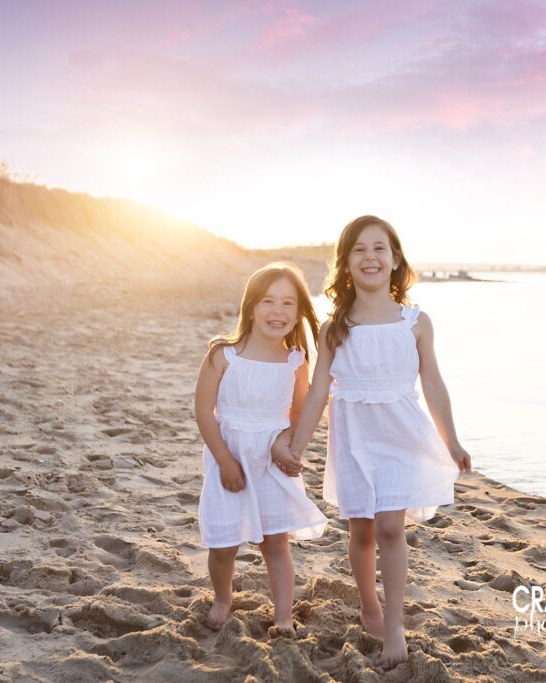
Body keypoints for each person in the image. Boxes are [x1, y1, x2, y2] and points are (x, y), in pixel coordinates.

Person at [278, 215, 472, 669]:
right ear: (345, 263)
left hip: (402, 434)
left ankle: (396, 623)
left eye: (379, 248)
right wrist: (299, 445)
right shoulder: (335, 327)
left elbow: (434, 384)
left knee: (390, 527)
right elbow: (319, 392)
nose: (370, 257)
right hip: (354, 438)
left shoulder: (416, 322)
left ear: (396, 258)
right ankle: (369, 605)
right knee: (361, 529)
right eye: (359, 249)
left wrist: (453, 441)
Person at [194, 262, 328, 638]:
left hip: (270, 462)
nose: (278, 311)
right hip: (230, 458)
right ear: (251, 306)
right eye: (268, 301)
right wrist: (223, 460)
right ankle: (223, 597)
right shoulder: (224, 355)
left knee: (276, 542)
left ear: (299, 311)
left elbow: (298, 411)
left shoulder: (295, 360)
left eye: (288, 303)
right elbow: (204, 411)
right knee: (223, 544)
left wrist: (285, 441)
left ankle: (283, 615)